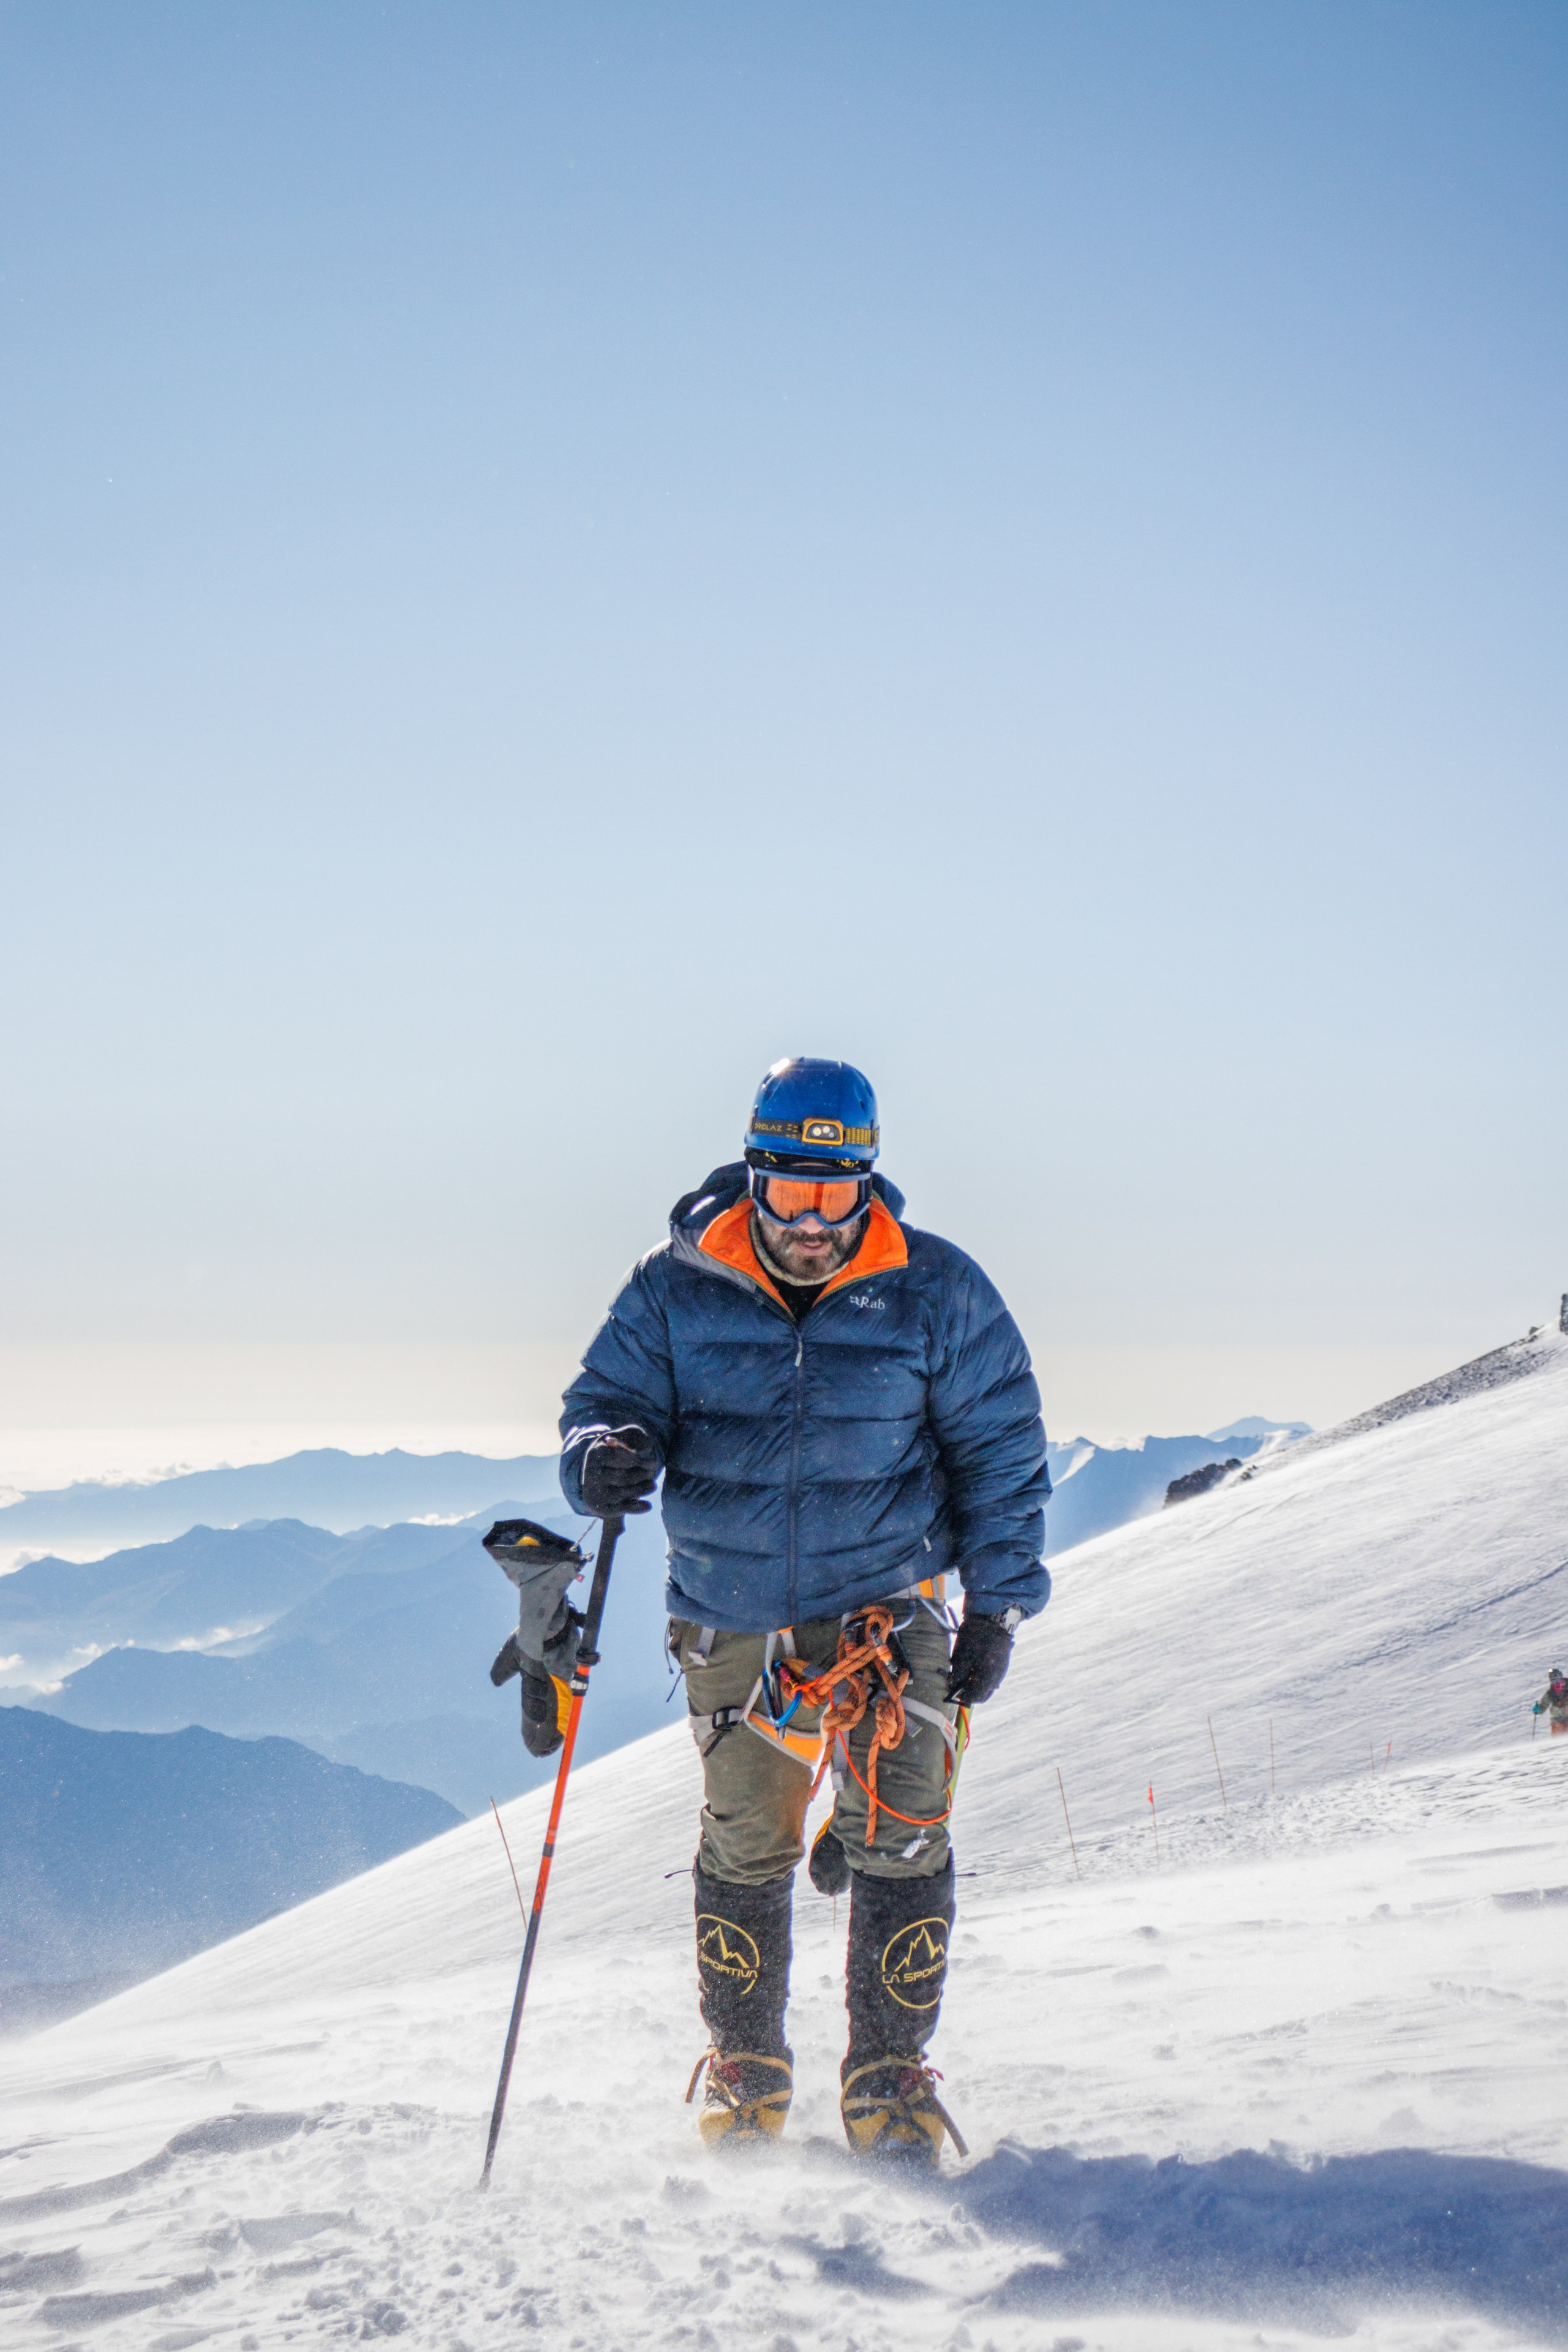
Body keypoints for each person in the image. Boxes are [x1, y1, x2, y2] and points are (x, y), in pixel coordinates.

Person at [559, 1057, 1050, 2164]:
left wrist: (998, 1607)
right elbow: (601, 1404)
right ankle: (747, 2069)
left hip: (895, 1606)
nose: (814, 1222)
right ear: (756, 1176)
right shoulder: (674, 1285)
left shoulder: (935, 1287)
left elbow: (1003, 1450)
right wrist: (598, 1460)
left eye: (838, 1195)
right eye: (792, 1193)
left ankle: (888, 2075)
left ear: (868, 1182)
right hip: (734, 1614)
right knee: (746, 1843)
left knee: (904, 1834)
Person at [1532, 1667, 1568, 1734]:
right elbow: (1544, 1704)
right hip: (1557, 1722)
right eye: (1553, 1681)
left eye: (1557, 1681)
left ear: (1561, 1679)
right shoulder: (1551, 1693)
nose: (1555, 1684)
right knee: (1557, 1741)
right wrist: (1538, 1710)